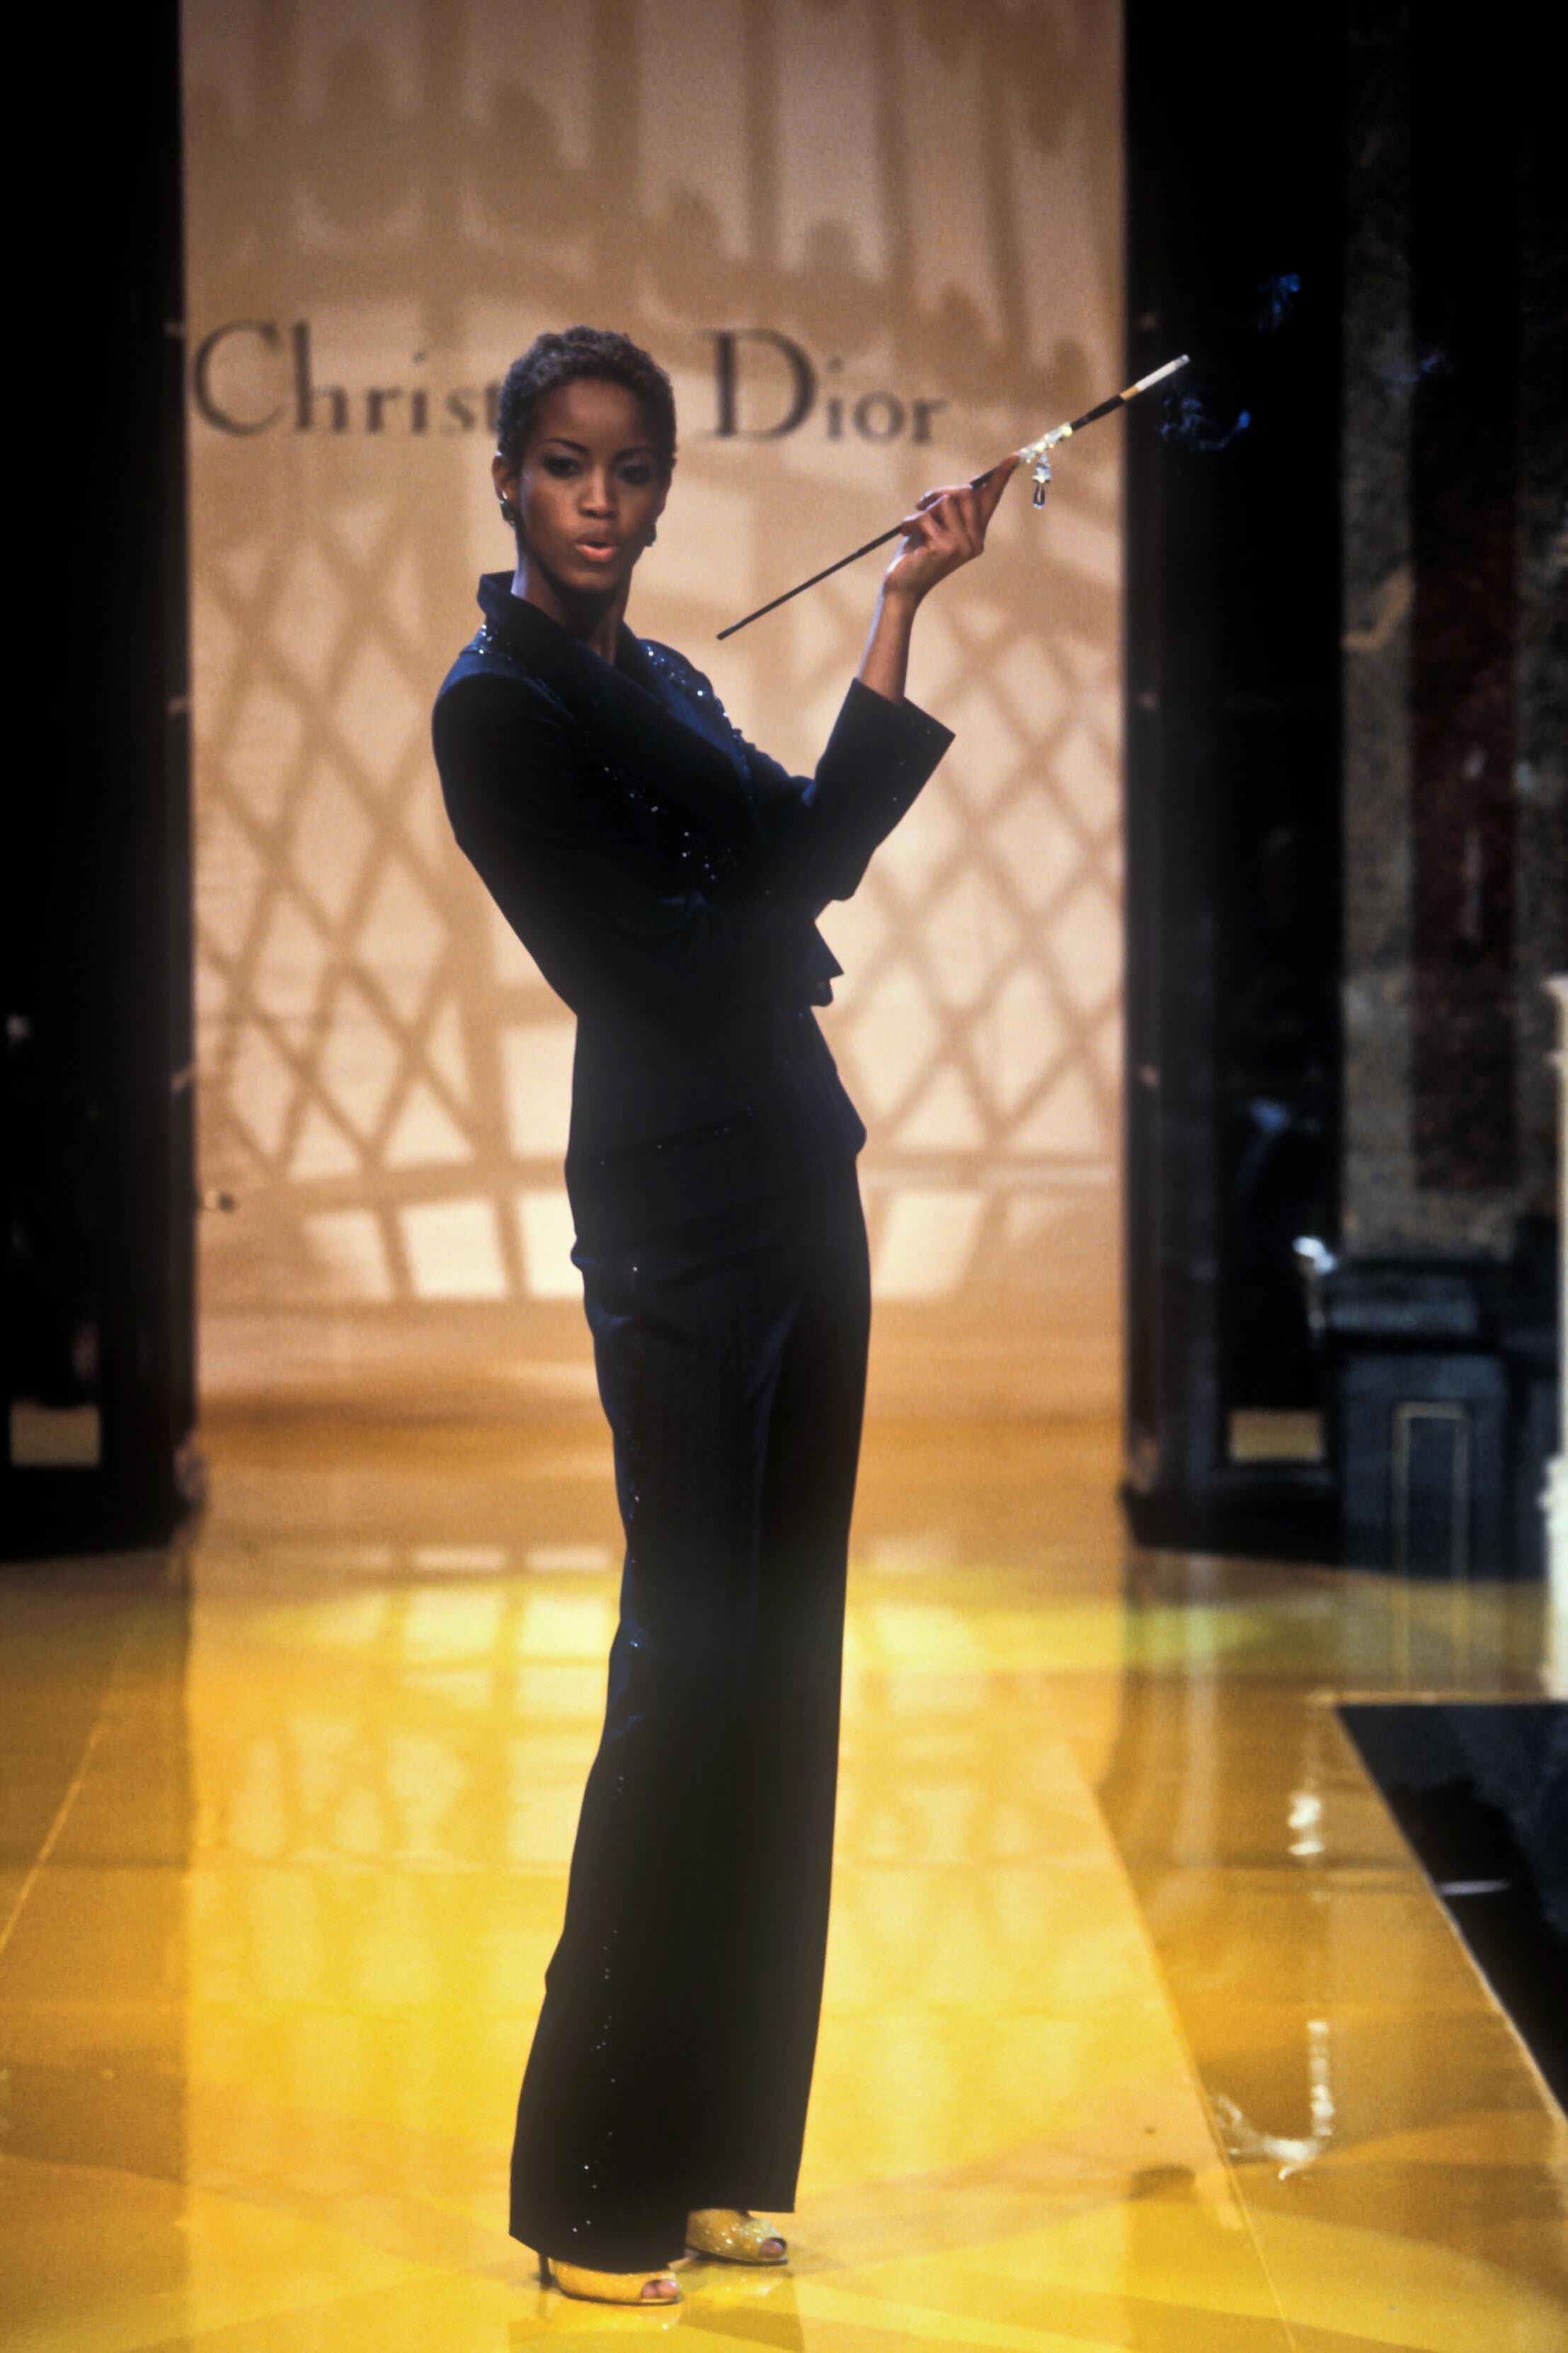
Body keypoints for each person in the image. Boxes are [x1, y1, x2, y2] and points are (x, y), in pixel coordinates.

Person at [432, 326, 1014, 2307]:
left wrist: (900, 609)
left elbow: (804, 853)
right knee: (684, 1668)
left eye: (631, 469)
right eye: (566, 463)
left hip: (795, 1183)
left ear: (663, 492)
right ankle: (587, 2190)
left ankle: (713, 2159)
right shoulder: (498, 709)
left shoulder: (670, 681)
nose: (599, 499)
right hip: (671, 1223)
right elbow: (660, 966)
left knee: (777, 1673)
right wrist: (775, 898)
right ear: (510, 478)